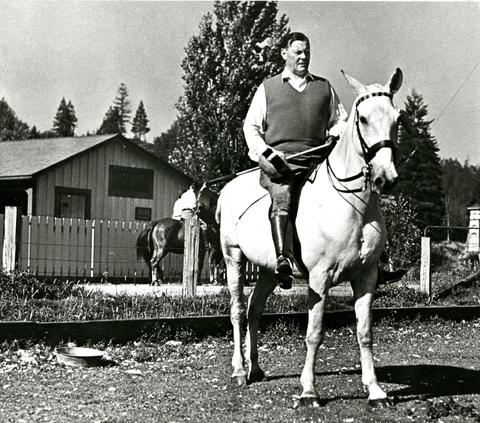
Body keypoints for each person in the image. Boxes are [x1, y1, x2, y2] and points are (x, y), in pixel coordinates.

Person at [243, 32, 348, 289]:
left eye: (307, 52)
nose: (303, 57)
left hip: (318, 162)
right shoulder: (268, 88)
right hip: (281, 166)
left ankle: (369, 262)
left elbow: (342, 121)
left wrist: (333, 137)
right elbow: (251, 128)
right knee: (283, 196)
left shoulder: (324, 87)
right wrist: (266, 154)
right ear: (284, 53)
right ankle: (283, 260)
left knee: (352, 193)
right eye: (298, 52)